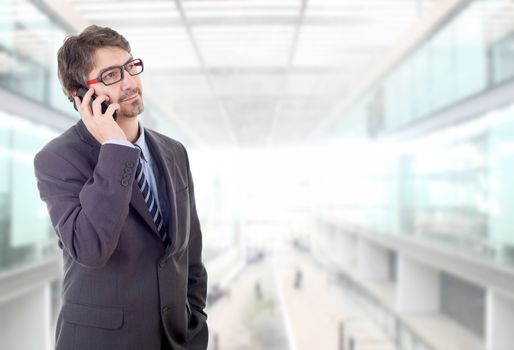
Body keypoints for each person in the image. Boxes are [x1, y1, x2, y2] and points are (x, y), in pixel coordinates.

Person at [33, 25, 208, 350]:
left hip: (176, 339)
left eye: (130, 67)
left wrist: (195, 320)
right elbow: (90, 248)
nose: (130, 81)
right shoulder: (57, 159)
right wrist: (116, 149)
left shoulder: (173, 152)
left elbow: (190, 253)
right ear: (81, 95)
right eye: (112, 75)